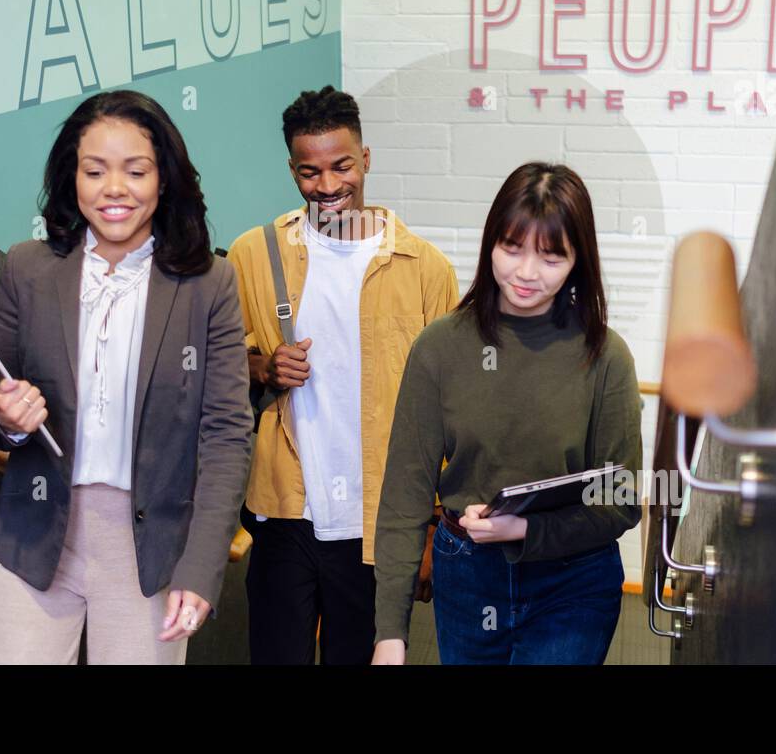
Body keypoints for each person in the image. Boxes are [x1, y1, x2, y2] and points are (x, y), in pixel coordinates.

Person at [0, 90, 253, 664]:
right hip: (34, 541)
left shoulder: (209, 285)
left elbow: (226, 435)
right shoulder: (27, 268)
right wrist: (8, 419)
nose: (114, 189)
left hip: (148, 554)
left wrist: (201, 568)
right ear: (71, 176)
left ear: (164, 178)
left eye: (136, 171)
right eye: (94, 171)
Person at [372, 162, 642, 665]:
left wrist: (525, 531)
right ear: (489, 242)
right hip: (468, 574)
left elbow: (621, 502)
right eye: (511, 248)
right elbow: (404, 496)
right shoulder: (440, 348)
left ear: (578, 260)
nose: (525, 272)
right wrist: (390, 631)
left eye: (550, 257)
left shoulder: (606, 357)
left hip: (574, 581)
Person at [226, 85, 459, 664]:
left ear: (366, 158)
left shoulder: (425, 269)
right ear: (291, 169)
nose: (328, 187)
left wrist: (432, 527)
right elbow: (219, 368)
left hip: (379, 517)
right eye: (310, 172)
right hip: (284, 510)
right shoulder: (253, 254)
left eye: (342, 166)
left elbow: (451, 412)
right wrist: (263, 367)